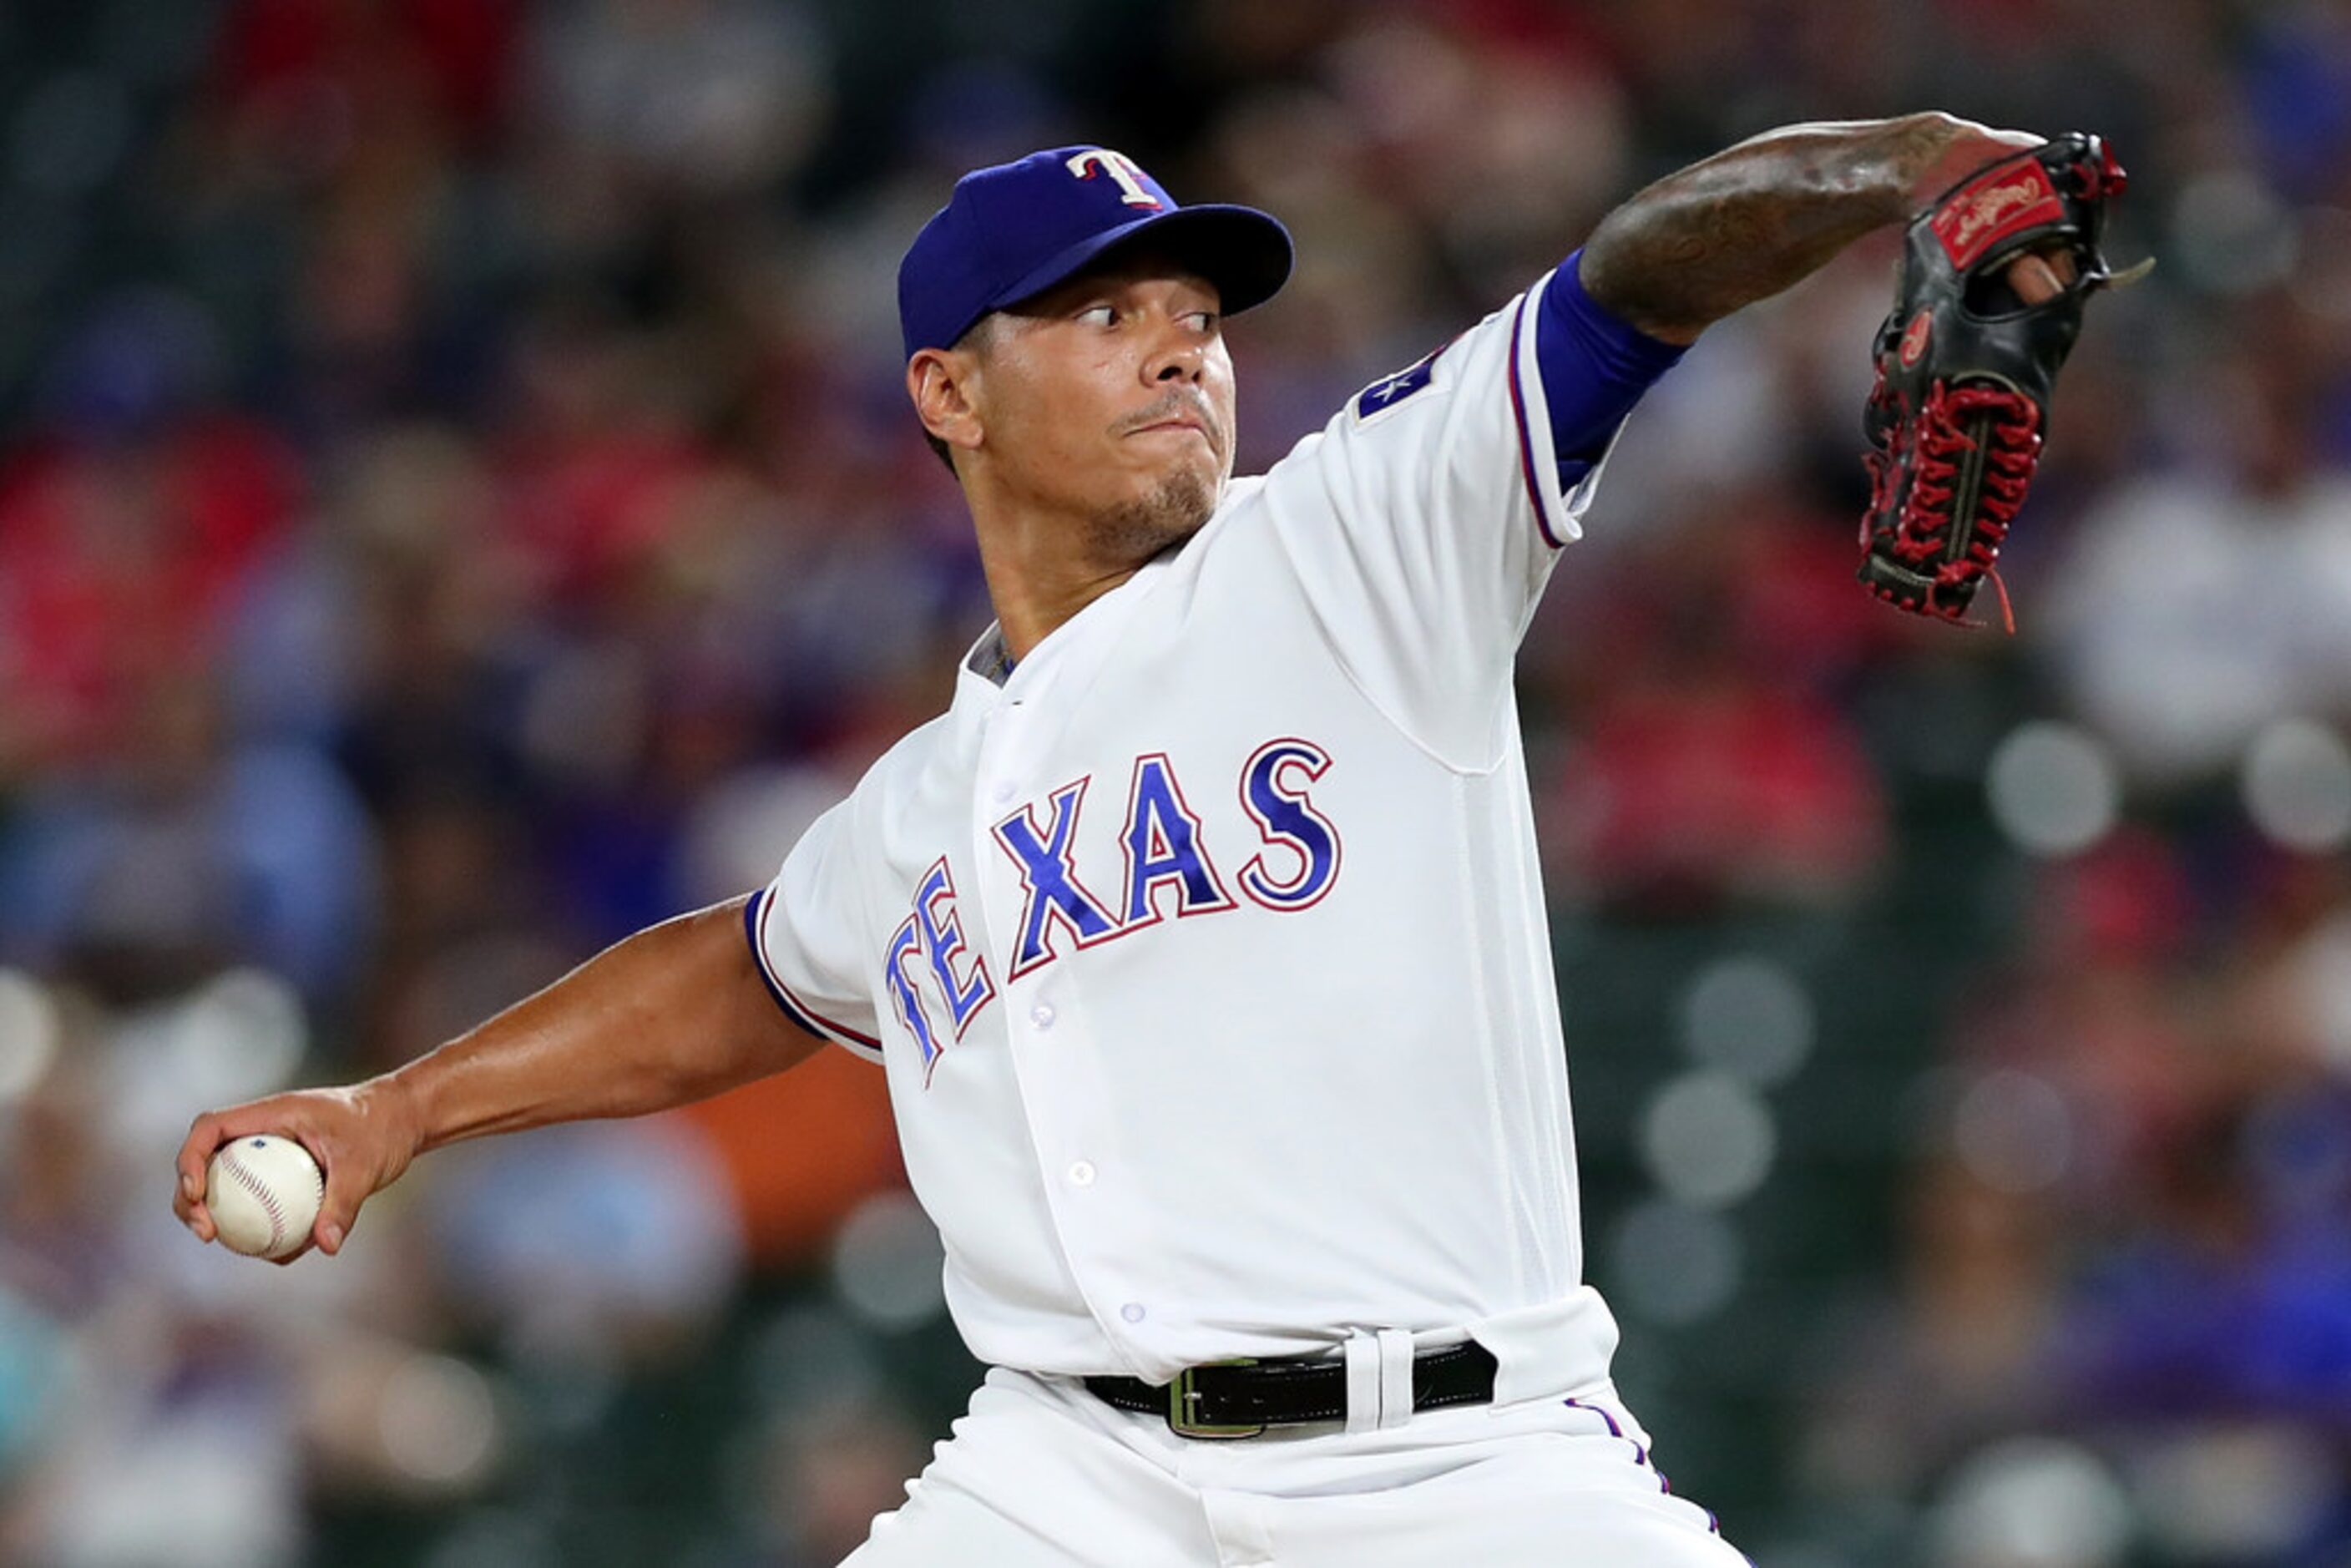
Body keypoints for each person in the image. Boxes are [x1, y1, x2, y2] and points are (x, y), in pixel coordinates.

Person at [176, 118, 2081, 1565]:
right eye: (1102, 314)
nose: (1180, 349)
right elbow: (751, 968)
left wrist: (1900, 167)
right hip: (1066, 1484)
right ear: (949, 393)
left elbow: (1631, 281)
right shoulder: (921, 800)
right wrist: (397, 1113)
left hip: (1457, 1467)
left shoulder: (1352, 543)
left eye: (1195, 316)